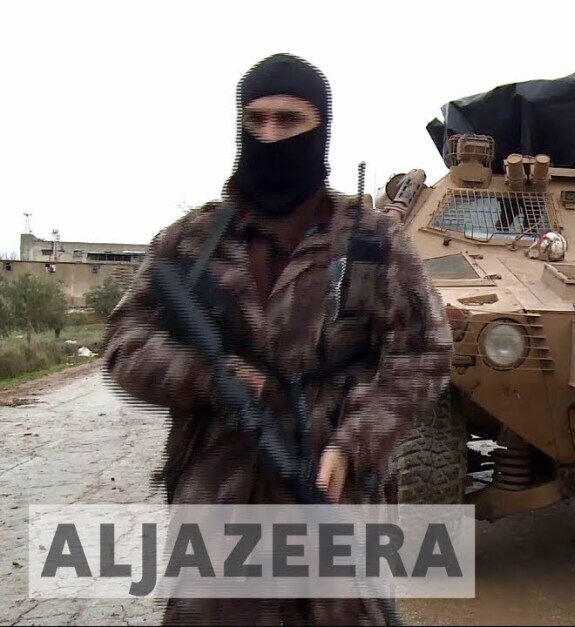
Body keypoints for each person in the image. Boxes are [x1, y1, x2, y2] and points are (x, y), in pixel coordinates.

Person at [103, 52, 453, 626]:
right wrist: (207, 376)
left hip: (333, 496)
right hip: (219, 496)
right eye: (256, 119)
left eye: (289, 120)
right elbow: (125, 340)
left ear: (321, 127)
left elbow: (423, 354)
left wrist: (353, 443)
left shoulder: (371, 242)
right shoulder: (192, 242)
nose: (269, 135)